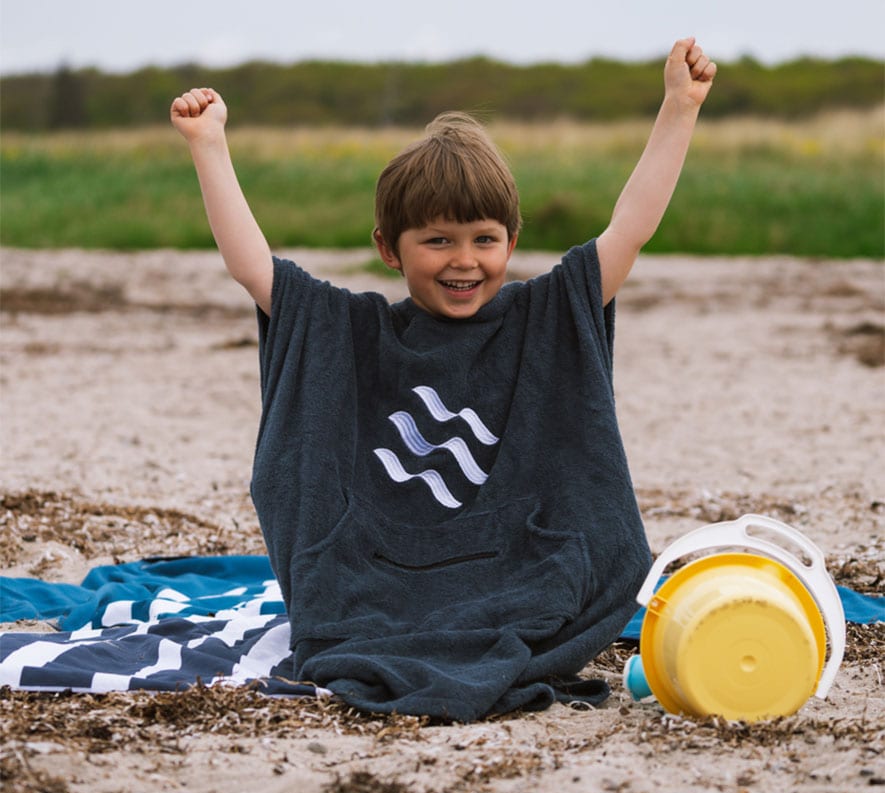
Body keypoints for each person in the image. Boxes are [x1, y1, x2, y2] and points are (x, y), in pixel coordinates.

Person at [170, 38, 716, 721]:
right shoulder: (352, 329)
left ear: (510, 241)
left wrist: (679, 107)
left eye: (484, 239)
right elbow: (255, 269)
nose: (464, 260)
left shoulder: (540, 314)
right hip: (374, 579)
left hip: (518, 571)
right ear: (386, 248)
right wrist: (208, 146)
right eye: (437, 240)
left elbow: (628, 230)